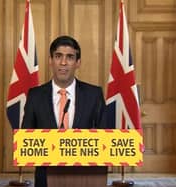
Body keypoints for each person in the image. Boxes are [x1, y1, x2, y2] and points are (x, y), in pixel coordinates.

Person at [22, 35, 107, 187]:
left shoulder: (94, 94)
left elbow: (107, 135)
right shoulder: (35, 95)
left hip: (84, 176)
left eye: (70, 57)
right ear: (50, 61)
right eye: (58, 56)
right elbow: (25, 137)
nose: (63, 62)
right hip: (46, 177)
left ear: (78, 63)